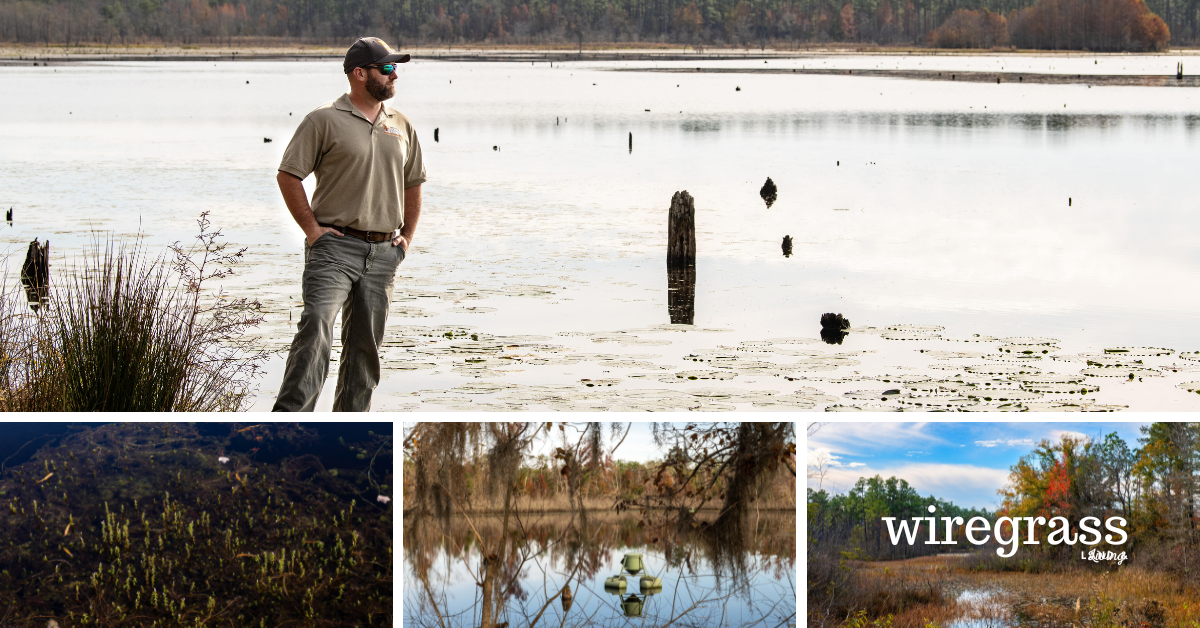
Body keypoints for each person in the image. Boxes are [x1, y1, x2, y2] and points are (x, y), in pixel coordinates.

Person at [272, 37, 426, 412]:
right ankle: (288, 427)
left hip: (383, 254)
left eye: (396, 69)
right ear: (360, 73)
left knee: (364, 354)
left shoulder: (401, 124)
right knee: (316, 331)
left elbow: (413, 182)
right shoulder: (323, 120)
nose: (394, 76)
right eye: (387, 68)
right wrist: (312, 231)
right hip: (334, 249)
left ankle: (349, 432)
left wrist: (406, 237)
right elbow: (288, 175)